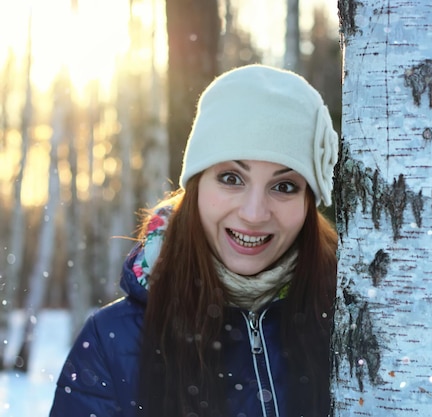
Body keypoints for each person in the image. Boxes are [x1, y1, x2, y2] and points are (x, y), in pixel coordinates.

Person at [49, 64, 339, 417]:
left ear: (309, 203)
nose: (254, 213)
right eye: (232, 178)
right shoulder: (113, 342)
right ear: (197, 186)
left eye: (284, 186)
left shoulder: (352, 323)